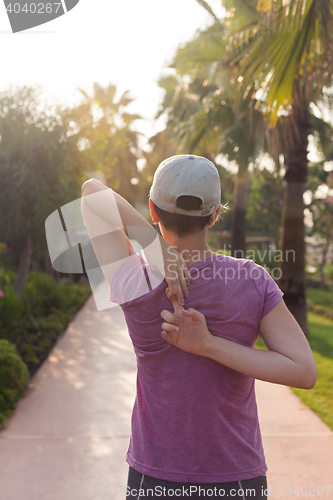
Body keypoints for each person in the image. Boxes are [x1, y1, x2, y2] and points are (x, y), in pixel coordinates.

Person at [81, 154, 317, 500]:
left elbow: (91, 194)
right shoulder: (250, 280)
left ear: (152, 209)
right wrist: (211, 345)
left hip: (154, 477)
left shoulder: (134, 279)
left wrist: (155, 246)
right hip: (237, 478)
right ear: (215, 214)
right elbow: (304, 371)